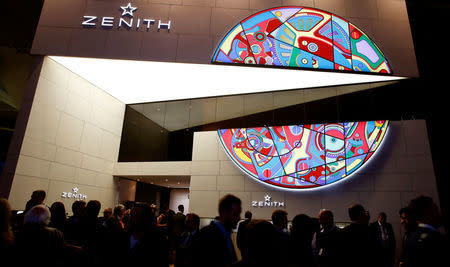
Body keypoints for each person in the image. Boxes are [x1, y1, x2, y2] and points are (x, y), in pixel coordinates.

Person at [191, 194, 242, 267]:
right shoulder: (206, 235)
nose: (239, 218)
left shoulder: (226, 235)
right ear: (224, 213)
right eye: (235, 214)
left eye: (239, 214)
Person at [401, 196, 448, 267]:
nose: (439, 213)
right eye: (436, 209)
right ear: (428, 212)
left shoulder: (411, 238)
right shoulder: (435, 239)